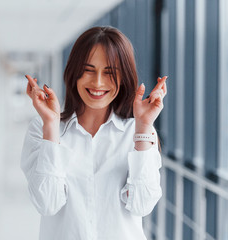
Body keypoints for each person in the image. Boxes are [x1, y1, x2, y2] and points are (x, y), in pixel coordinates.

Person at [21, 26, 167, 240]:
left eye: (109, 72)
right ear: (74, 73)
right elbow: (47, 203)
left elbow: (142, 205)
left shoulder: (136, 132)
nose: (98, 82)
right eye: (89, 70)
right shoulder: (42, 128)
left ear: (123, 77)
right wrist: (51, 126)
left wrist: (143, 127)